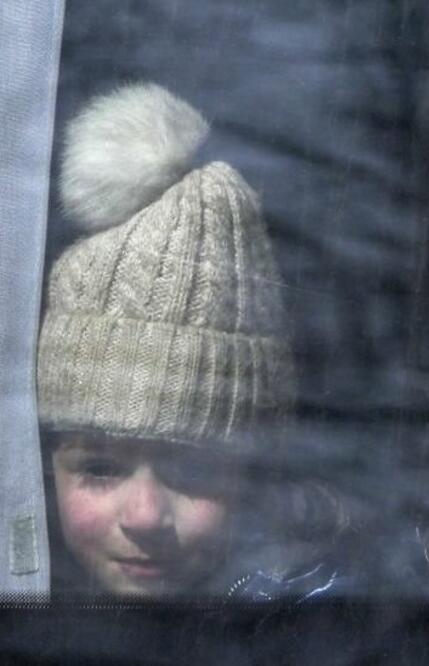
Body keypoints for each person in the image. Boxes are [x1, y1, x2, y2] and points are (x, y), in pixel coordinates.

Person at [38, 83, 348, 600]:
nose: (145, 517)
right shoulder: (26, 604)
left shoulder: (327, 606)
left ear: (254, 474)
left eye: (194, 468)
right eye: (99, 468)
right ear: (46, 471)